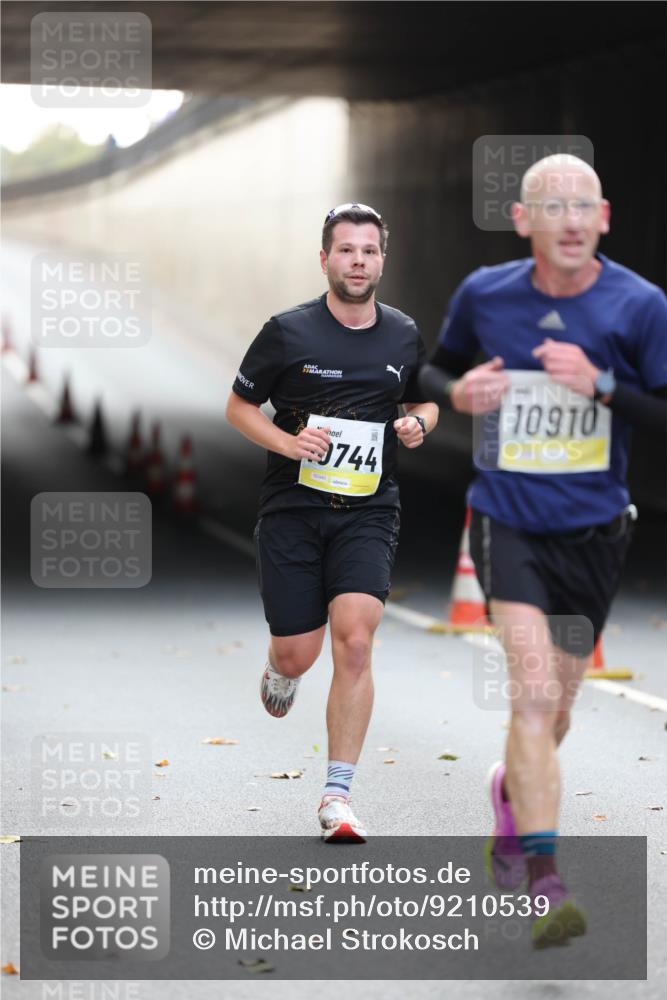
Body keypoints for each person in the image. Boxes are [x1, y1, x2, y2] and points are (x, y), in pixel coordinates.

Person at [420, 154, 667, 947]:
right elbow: (429, 370)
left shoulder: (639, 304)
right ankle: (545, 878)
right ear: (521, 219)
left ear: (603, 218)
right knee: (529, 698)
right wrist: (455, 395)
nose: (567, 219)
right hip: (508, 520)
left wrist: (601, 387)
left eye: (581, 205)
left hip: (593, 533)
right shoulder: (484, 294)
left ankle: (507, 799)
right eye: (549, 206)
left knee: (554, 713)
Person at [226, 203, 438, 842]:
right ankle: (278, 664)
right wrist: (288, 444)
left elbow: (424, 399)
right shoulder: (287, 332)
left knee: (355, 636)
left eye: (368, 251)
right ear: (325, 260)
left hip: (369, 510)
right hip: (293, 508)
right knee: (301, 652)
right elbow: (239, 406)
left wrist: (418, 424)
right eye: (345, 251)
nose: (357, 262)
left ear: (382, 259)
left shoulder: (402, 334)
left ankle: (337, 797)